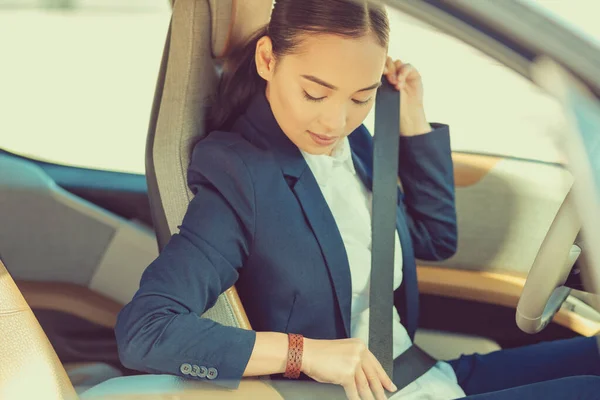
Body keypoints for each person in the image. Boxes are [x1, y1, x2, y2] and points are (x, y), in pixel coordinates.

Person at [114, 1, 600, 399]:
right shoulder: (237, 172)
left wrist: (409, 117)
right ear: (268, 61)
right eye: (314, 93)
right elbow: (146, 331)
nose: (334, 122)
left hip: (422, 375)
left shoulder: (356, 142)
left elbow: (434, 239)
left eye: (360, 97)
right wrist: (304, 354)